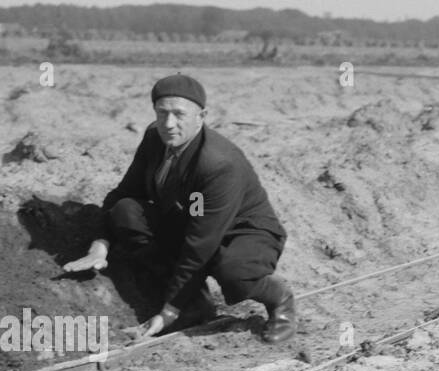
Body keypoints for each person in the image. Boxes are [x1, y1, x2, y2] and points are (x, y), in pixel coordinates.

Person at [64, 74, 297, 346]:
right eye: (162, 113)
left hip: (242, 231)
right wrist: (100, 244)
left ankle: (279, 298)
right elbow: (124, 193)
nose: (169, 124)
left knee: (235, 272)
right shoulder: (155, 138)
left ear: (202, 115)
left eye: (179, 114)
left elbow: (200, 243)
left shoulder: (218, 164)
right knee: (126, 212)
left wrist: (168, 312)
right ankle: (197, 303)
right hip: (195, 218)